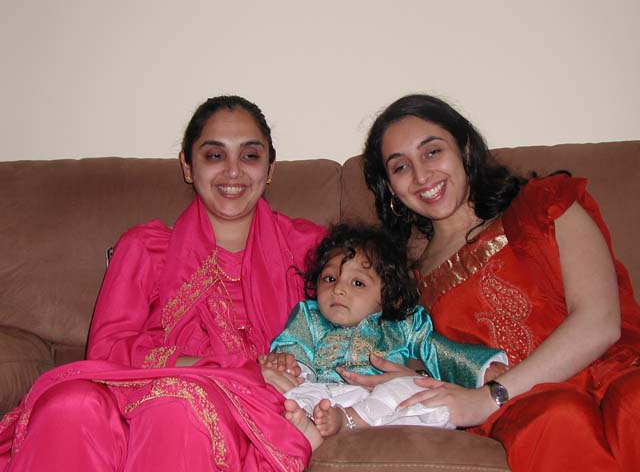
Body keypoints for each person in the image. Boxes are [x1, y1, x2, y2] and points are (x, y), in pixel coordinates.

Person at [0, 95, 326, 471]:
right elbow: (107, 351)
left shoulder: (309, 249)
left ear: (270, 169)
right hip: (135, 392)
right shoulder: (146, 247)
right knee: (70, 404)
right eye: (215, 155)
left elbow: (355, 327)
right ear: (188, 166)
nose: (233, 171)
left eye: (250, 156)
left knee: (178, 405)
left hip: (230, 410)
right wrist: (236, 369)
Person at [344, 94, 640, 471]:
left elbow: (600, 321)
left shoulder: (543, 203)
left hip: (611, 372)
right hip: (528, 409)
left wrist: (490, 396)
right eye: (401, 166)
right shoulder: (406, 280)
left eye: (432, 152)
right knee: (557, 419)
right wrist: (415, 377)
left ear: (466, 150)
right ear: (390, 187)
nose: (421, 176)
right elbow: (430, 356)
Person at [267, 223, 506, 437]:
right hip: (325, 395)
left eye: (357, 283)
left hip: (377, 399)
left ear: (386, 295)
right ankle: (311, 424)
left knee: (414, 388)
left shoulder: (403, 324)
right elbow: (294, 346)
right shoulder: (310, 316)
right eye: (329, 278)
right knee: (286, 388)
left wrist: (481, 370)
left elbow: (436, 350)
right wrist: (287, 364)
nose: (338, 289)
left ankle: (348, 420)